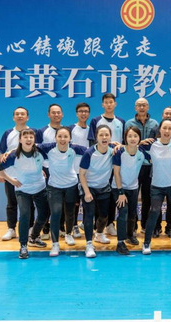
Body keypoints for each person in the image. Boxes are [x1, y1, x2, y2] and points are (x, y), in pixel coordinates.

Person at [0, 129, 50, 259]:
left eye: (31, 137)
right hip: (22, 190)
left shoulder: (41, 151)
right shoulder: (13, 155)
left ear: (34, 140)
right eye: (25, 137)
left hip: (40, 188)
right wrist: (11, 180)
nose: (28, 139)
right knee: (25, 215)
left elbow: (57, 145)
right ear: (20, 140)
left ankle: (34, 237)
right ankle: (23, 245)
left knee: (45, 214)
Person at [37, 126, 88, 256]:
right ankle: (55, 244)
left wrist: (114, 145)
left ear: (70, 138)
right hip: (54, 186)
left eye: (65, 136)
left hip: (71, 185)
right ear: (55, 138)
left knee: (70, 212)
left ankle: (68, 234)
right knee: (56, 213)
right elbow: (30, 146)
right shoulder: (49, 147)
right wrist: (11, 151)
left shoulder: (74, 148)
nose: (62, 139)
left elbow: (93, 149)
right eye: (59, 136)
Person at [139, 119, 171, 254]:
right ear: (159, 129)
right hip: (157, 185)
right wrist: (140, 143)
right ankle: (146, 243)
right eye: (164, 128)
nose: (167, 131)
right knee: (154, 211)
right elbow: (133, 147)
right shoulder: (151, 144)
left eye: (170, 128)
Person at [88, 93, 126, 238]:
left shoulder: (121, 121)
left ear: (115, 104)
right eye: (106, 102)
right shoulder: (96, 120)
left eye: (111, 102)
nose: (109, 105)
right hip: (100, 163)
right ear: (102, 104)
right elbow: (92, 142)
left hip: (115, 163)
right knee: (99, 196)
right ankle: (97, 226)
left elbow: (124, 142)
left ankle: (110, 224)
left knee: (111, 195)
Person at [112, 126, 151, 255]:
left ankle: (130, 235)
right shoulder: (119, 152)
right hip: (118, 188)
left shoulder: (142, 152)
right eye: (130, 136)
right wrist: (121, 192)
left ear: (139, 138)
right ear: (125, 138)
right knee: (123, 213)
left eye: (135, 136)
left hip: (133, 188)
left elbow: (156, 154)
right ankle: (120, 243)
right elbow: (116, 173)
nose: (132, 138)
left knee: (132, 214)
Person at [0, 107, 34, 242]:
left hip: (29, 175)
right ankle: (11, 229)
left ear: (27, 117)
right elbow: (3, 153)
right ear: (13, 117)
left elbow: (37, 150)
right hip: (11, 175)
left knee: (29, 203)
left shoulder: (33, 132)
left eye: (22, 114)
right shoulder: (8, 133)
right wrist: (2, 174)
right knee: (11, 202)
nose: (20, 116)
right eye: (17, 114)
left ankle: (30, 228)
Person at [79, 125, 117, 258]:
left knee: (104, 216)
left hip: (104, 187)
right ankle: (89, 244)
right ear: (96, 137)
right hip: (89, 187)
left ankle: (99, 234)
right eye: (101, 135)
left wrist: (120, 145)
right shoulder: (89, 153)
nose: (104, 137)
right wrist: (87, 192)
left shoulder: (113, 151)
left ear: (110, 137)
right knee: (89, 215)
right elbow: (82, 174)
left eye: (107, 135)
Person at [124, 98, 158, 240]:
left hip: (149, 165)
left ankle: (145, 225)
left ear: (148, 107)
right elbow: (125, 143)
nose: (142, 107)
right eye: (139, 105)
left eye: (144, 105)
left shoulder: (155, 124)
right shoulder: (129, 124)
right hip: (134, 165)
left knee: (147, 197)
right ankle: (132, 227)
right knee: (132, 197)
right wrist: (139, 143)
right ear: (135, 107)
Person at [149, 106, 171, 236]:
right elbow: (144, 146)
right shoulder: (153, 133)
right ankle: (156, 228)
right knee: (155, 207)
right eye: (166, 113)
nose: (167, 131)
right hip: (157, 175)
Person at [35, 103, 64, 240]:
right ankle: (45, 228)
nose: (56, 115)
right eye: (53, 112)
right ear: (48, 114)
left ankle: (61, 227)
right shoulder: (42, 131)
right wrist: (40, 168)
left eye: (58, 112)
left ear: (62, 114)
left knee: (61, 199)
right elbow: (36, 150)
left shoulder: (65, 130)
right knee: (47, 199)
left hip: (62, 169)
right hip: (46, 168)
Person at [69, 102, 92, 239]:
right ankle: (74, 226)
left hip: (88, 171)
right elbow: (69, 146)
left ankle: (85, 223)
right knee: (75, 201)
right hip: (74, 170)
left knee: (87, 199)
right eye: (81, 111)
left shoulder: (92, 130)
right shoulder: (71, 129)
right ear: (77, 113)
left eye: (86, 111)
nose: (83, 113)